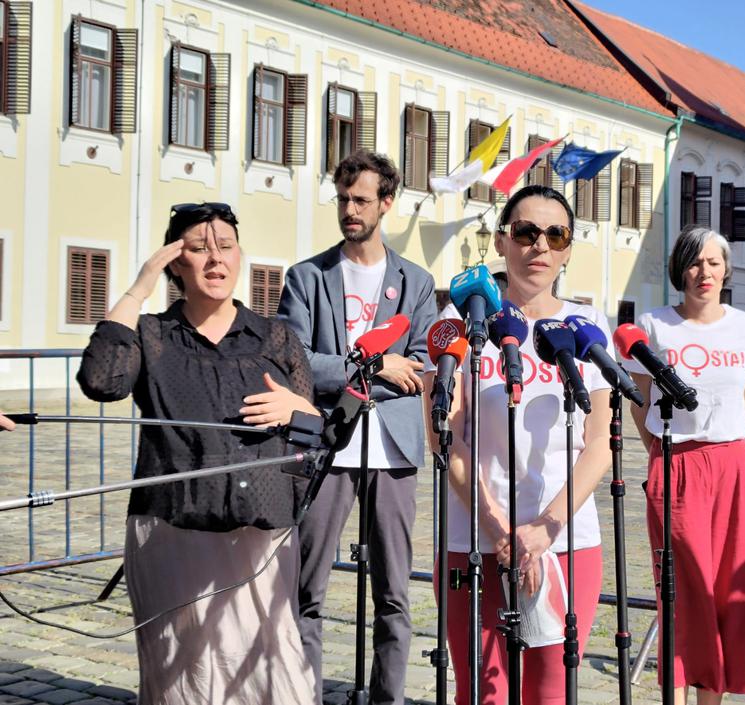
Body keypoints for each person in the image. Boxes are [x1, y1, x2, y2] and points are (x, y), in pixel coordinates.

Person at [76, 202, 318, 705]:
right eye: (198, 249)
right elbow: (101, 381)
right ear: (175, 262)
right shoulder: (152, 335)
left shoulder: (276, 338)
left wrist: (301, 411)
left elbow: (311, 439)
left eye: (226, 247)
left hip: (260, 536)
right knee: (184, 681)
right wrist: (140, 286)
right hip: (173, 531)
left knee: (276, 679)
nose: (215, 259)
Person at [425, 185, 612, 704]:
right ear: (502, 241)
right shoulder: (455, 324)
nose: (540, 246)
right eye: (527, 232)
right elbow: (446, 439)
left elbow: (600, 442)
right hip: (472, 538)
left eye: (556, 235)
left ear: (568, 249)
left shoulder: (588, 326)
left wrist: (544, 529)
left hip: (565, 539)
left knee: (550, 693)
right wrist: (499, 530)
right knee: (481, 692)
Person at [278, 150, 437, 705]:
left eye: (361, 200)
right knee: (306, 588)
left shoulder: (417, 282)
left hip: (392, 450)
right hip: (325, 447)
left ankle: (387, 698)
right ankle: (303, 694)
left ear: (386, 203)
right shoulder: (306, 278)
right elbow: (296, 361)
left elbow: (419, 366)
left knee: (394, 594)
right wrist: (373, 366)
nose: (350, 209)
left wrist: (360, 372)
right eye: (343, 199)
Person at [624, 225, 745, 704]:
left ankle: (713, 698)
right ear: (679, 269)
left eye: (713, 262)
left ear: (725, 270)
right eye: (694, 261)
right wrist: (661, 452)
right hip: (676, 462)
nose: (703, 272)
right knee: (683, 588)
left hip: (732, 465)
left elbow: (744, 396)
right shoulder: (654, 325)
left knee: (729, 586)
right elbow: (641, 402)